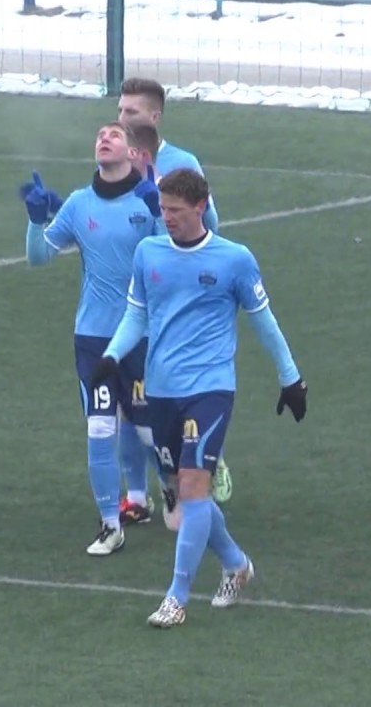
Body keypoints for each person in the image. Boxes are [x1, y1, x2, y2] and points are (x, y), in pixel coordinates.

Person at [93, 168, 308, 628]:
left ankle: (176, 598)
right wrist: (111, 356)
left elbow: (264, 322)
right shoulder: (148, 253)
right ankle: (235, 563)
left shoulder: (234, 259)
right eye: (163, 208)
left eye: (175, 210)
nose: (166, 217)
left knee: (193, 486)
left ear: (200, 206)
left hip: (210, 389)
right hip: (160, 390)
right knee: (186, 494)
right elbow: (136, 315)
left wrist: (291, 379)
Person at [22, 122, 166, 555]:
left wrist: (159, 214)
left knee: (148, 432)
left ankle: (174, 488)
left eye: (114, 134)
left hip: (140, 336)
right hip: (92, 338)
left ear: (132, 151)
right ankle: (110, 525)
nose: (104, 138)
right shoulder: (78, 204)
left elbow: (168, 260)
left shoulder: (147, 200)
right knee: (100, 427)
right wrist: (35, 222)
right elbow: (38, 257)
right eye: (100, 134)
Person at [116, 76, 234, 505]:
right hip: (131, 299)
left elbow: (212, 226)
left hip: (174, 304)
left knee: (166, 404)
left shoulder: (183, 162)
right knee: (127, 411)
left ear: (155, 116)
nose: (122, 119)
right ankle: (139, 495)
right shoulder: (114, 159)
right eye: (119, 110)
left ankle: (201, 463)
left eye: (131, 112)